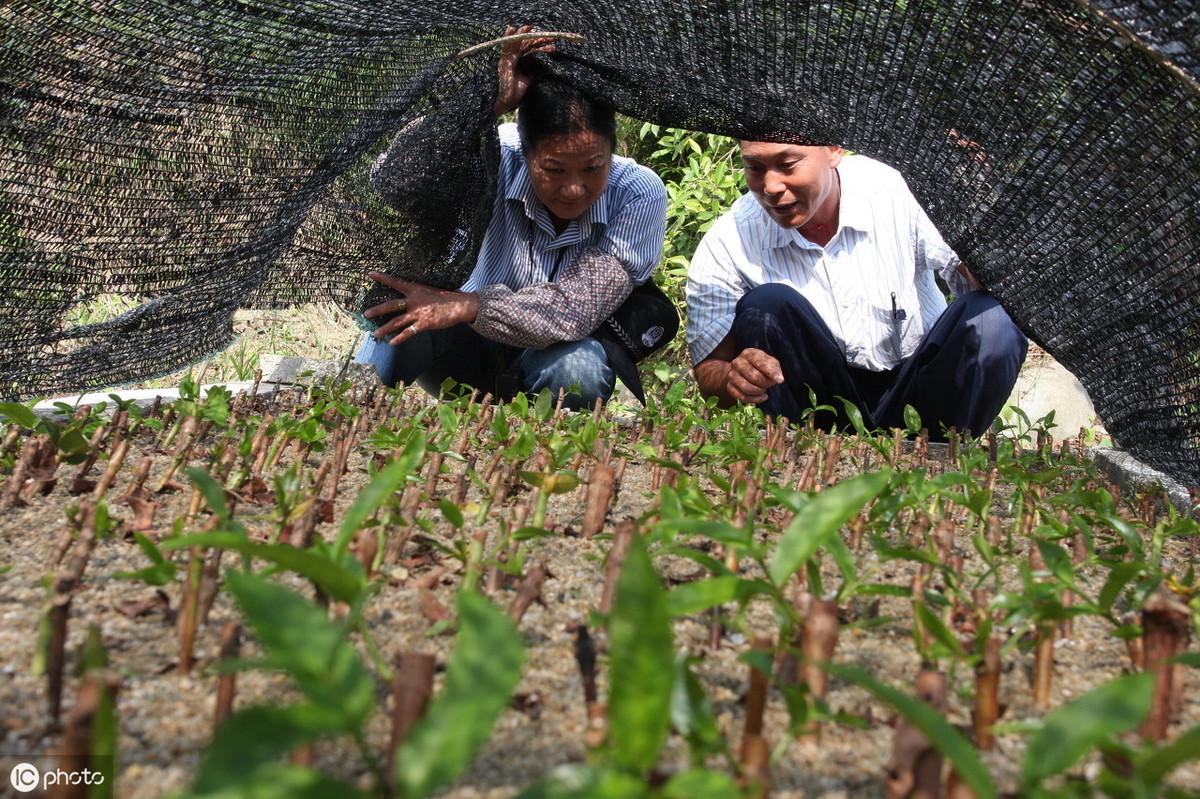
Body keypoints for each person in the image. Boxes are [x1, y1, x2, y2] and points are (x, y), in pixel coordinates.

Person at [356, 26, 668, 409]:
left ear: (612, 150)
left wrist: (470, 304)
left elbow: (575, 308)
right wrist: (487, 102)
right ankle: (351, 410)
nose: (573, 189)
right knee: (401, 314)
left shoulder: (638, 193)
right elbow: (394, 179)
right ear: (526, 150)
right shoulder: (496, 153)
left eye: (592, 169)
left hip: (551, 352)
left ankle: (551, 451)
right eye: (553, 170)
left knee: (580, 368)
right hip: (460, 347)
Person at [686, 141, 1027, 437]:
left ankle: (942, 455)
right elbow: (708, 371)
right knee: (767, 305)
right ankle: (800, 458)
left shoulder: (894, 190)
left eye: (787, 165)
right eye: (755, 168)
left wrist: (990, 263)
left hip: (921, 389)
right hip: (818, 408)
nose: (771, 186)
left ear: (833, 150)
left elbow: (970, 273)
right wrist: (733, 377)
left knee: (994, 321)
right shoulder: (728, 241)